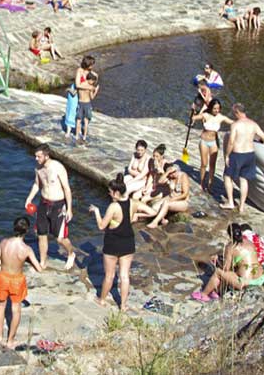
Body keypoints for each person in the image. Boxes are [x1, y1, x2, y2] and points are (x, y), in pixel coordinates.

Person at [0, 217, 43, 349]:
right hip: (16, 280)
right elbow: (39, 268)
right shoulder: (26, 249)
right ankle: (10, 340)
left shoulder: (3, 242)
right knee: (16, 309)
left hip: (3, 277)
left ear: (14, 228)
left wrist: (5, 264)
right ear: (27, 230)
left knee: (1, 305)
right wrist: (25, 262)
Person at [23, 145, 76, 270]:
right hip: (43, 202)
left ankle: (71, 253)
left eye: (39, 156)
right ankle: (43, 261)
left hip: (58, 204)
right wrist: (29, 198)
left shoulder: (58, 167)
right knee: (41, 234)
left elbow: (67, 189)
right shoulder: (38, 169)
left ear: (46, 156)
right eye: (35, 156)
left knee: (60, 238)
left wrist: (69, 209)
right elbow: (37, 184)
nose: (36, 159)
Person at [91, 173, 136, 312]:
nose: (109, 195)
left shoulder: (113, 207)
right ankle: (123, 305)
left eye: (110, 192)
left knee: (109, 275)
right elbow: (133, 218)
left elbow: (101, 226)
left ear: (116, 193)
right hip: (128, 242)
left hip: (113, 244)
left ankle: (102, 299)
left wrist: (97, 211)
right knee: (124, 275)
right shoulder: (133, 203)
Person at [191, 223, 264, 302]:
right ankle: (216, 292)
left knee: (218, 272)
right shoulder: (249, 242)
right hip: (260, 277)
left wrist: (217, 260)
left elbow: (226, 268)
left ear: (230, 235)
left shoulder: (230, 247)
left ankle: (204, 294)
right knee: (232, 273)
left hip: (246, 282)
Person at [220, 103, 264, 213]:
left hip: (237, 154)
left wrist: (227, 155)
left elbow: (231, 142)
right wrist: (256, 142)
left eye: (234, 113)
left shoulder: (235, 125)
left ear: (237, 112)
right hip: (249, 154)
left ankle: (231, 202)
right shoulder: (253, 124)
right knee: (244, 180)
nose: (233, 115)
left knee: (227, 176)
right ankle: (241, 206)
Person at [192, 99, 233, 192]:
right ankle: (202, 182)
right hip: (204, 141)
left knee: (212, 165)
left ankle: (210, 184)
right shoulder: (206, 115)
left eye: (218, 109)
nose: (216, 110)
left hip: (213, 142)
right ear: (211, 108)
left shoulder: (221, 117)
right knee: (204, 164)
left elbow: (232, 122)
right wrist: (194, 111)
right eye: (215, 109)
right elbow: (194, 118)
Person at [145, 163, 190, 228]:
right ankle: (162, 219)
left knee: (166, 203)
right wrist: (167, 172)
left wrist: (173, 200)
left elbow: (185, 194)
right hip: (170, 197)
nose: (172, 174)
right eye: (170, 173)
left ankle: (155, 222)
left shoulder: (183, 176)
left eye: (173, 172)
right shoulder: (169, 176)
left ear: (177, 170)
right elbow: (160, 181)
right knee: (154, 207)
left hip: (182, 201)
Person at [74, 56, 98, 143]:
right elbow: (77, 85)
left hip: (86, 96)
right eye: (91, 65)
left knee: (85, 118)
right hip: (79, 95)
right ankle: (76, 132)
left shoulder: (90, 72)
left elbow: (93, 80)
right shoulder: (79, 71)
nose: (92, 67)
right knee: (78, 117)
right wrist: (89, 87)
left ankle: (83, 134)